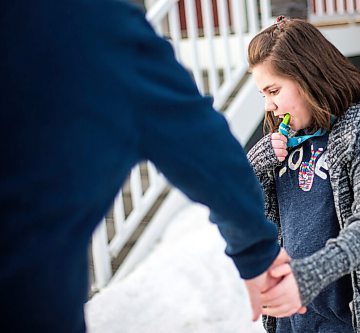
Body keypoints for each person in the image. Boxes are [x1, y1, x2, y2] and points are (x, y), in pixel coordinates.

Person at [0, 1, 290, 331]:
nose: (269, 104)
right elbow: (208, 152)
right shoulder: (93, 25)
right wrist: (257, 251)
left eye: (273, 91)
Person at [246, 17, 360, 332]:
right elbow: (246, 214)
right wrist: (253, 165)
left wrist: (307, 275)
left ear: (307, 75)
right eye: (262, 95)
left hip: (351, 320)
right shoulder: (283, 143)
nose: (269, 105)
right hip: (291, 321)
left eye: (274, 90)